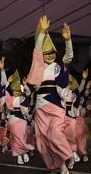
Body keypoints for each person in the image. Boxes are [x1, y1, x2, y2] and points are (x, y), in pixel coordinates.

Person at [27, 15, 74, 173]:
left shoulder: (57, 67)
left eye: (52, 52)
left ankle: (68, 154)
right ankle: (61, 166)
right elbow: (37, 50)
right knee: (43, 142)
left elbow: (68, 57)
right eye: (46, 53)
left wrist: (67, 40)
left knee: (54, 134)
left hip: (54, 106)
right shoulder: (38, 67)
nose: (50, 55)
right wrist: (42, 32)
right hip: (40, 109)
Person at [5, 71, 35, 165]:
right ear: (12, 90)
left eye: (18, 90)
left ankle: (25, 152)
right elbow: (3, 92)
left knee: (22, 137)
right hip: (13, 119)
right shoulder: (9, 97)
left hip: (21, 119)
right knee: (14, 138)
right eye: (15, 90)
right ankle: (18, 155)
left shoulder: (22, 97)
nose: (17, 92)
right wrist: (8, 82)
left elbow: (27, 93)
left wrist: (24, 85)